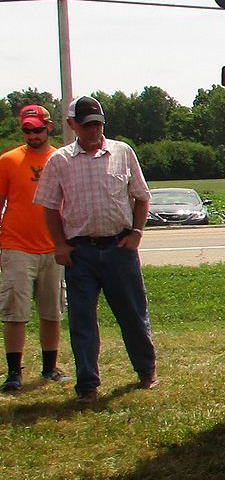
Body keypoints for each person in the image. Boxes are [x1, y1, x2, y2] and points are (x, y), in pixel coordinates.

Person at [34, 95, 157, 404]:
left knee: (133, 314)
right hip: (80, 253)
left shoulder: (122, 152)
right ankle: (87, 385)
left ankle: (146, 370)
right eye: (87, 125)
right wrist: (59, 244)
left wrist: (136, 233)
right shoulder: (59, 161)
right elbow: (49, 207)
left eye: (98, 124)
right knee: (82, 321)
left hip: (119, 248)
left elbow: (142, 197)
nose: (94, 131)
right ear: (72, 125)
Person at [0, 104, 69, 392]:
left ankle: (50, 367)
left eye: (37, 129)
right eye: (26, 130)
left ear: (48, 127)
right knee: (14, 312)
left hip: (53, 247)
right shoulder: (8, 161)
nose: (32, 135)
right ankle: (13, 373)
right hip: (16, 245)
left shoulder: (61, 159)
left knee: (52, 311)